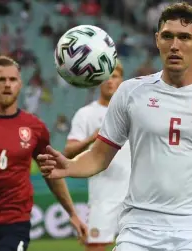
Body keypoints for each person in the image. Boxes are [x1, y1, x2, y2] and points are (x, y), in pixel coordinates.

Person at [37, 3, 192, 251]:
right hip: (139, 227)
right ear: (157, 40)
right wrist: (70, 166)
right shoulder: (130, 92)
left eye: (184, 37)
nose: (175, 45)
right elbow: (99, 156)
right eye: (167, 36)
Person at [0, 56, 87, 251]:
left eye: (12, 80)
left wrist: (73, 213)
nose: (7, 85)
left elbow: (51, 173)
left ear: (20, 84)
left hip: (13, 224)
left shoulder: (35, 127)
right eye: (1, 80)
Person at [64, 61, 130, 251]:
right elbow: (68, 151)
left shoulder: (133, 111)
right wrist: (92, 138)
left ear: (122, 80)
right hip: (103, 196)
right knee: (96, 246)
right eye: (105, 77)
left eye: (115, 76)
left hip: (136, 195)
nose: (110, 81)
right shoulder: (86, 114)